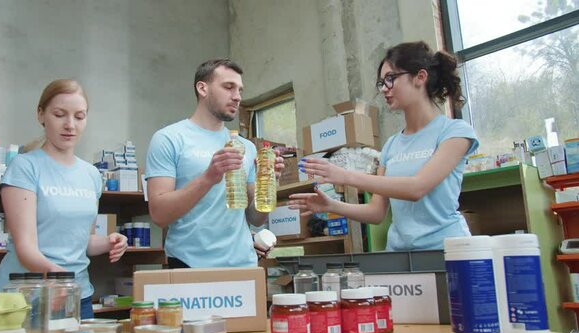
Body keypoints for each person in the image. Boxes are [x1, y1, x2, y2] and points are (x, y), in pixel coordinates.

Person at [289, 41, 479, 251]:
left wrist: (345, 176)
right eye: (381, 83)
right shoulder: (391, 145)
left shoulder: (455, 132)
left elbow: (417, 187)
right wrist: (331, 206)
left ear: (420, 77)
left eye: (391, 79)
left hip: (447, 250)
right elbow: (377, 212)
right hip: (400, 255)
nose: (384, 89)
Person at [0, 79, 128, 318]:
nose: (70, 125)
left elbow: (80, 242)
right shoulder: (25, 167)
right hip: (25, 297)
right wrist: (60, 277)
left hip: (77, 296)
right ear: (41, 114)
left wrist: (110, 242)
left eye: (79, 116)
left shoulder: (91, 175)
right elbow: (26, 249)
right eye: (59, 114)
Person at [145, 59, 284, 268]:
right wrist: (209, 177)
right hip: (190, 265)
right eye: (228, 87)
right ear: (202, 88)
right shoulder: (169, 139)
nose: (237, 97)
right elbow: (159, 215)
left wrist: (270, 184)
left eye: (240, 90)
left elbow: (256, 218)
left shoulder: (246, 147)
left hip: (243, 266)